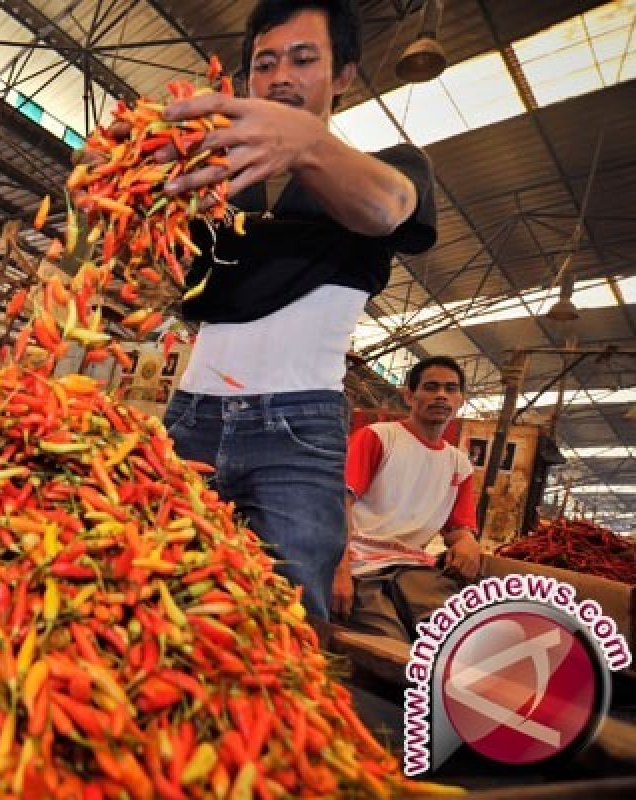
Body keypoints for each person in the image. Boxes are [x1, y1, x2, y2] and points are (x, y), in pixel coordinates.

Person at [142, 0, 438, 619]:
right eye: (264, 63)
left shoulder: (386, 168)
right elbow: (167, 271)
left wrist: (305, 144)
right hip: (191, 416)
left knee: (288, 622)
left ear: (343, 75)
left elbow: (387, 208)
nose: (280, 77)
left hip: (297, 432)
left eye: (304, 60)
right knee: (150, 595)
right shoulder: (221, 178)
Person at [332, 356, 481, 642]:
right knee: (388, 644)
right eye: (431, 387)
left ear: (461, 400)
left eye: (451, 389)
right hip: (361, 566)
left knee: (452, 640)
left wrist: (468, 543)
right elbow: (339, 503)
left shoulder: (459, 465)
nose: (441, 395)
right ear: (409, 396)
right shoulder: (378, 438)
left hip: (414, 570)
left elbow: (458, 530)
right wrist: (339, 569)